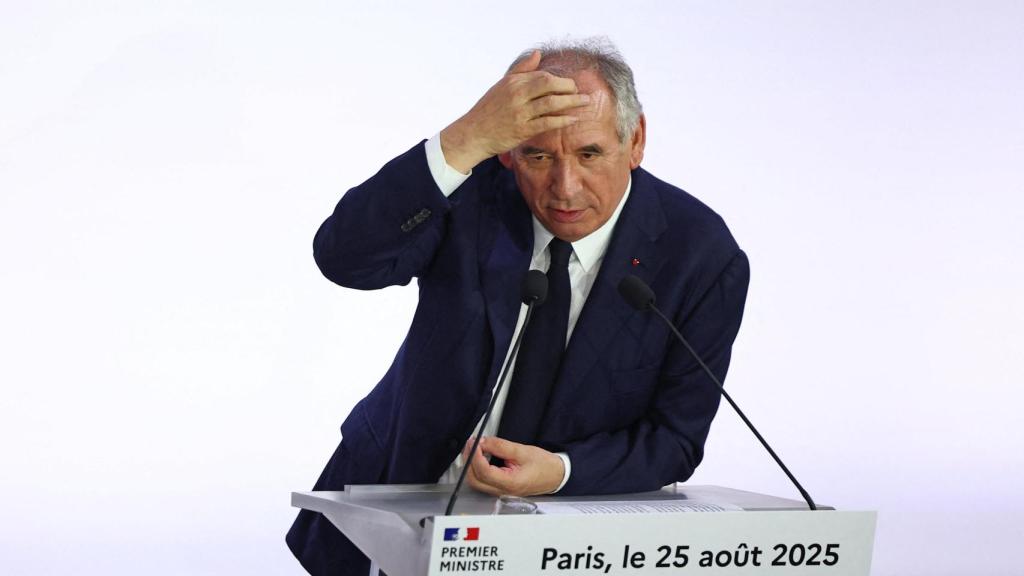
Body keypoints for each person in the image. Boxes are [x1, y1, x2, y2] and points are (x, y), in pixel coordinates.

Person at [287, 38, 749, 575]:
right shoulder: (471, 193)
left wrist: (558, 471)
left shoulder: (698, 252)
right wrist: (465, 139)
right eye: (537, 156)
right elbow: (346, 259)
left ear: (636, 140)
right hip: (400, 504)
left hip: (564, 537)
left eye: (590, 154)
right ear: (508, 151)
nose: (565, 187)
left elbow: (674, 438)